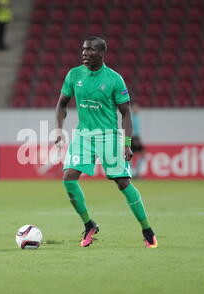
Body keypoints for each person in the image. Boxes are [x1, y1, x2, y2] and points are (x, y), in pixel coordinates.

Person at [54, 36, 157, 248]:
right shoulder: (74, 75)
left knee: (123, 183)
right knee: (68, 179)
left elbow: (126, 113)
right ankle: (89, 224)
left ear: (101, 54)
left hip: (109, 136)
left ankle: (147, 229)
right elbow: (61, 104)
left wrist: (126, 143)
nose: (84, 53)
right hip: (83, 135)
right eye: (83, 49)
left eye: (90, 50)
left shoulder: (114, 79)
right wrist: (59, 129)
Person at [131, 103, 147, 178]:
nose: (136, 110)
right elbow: (132, 129)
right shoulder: (132, 118)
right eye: (135, 108)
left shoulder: (136, 117)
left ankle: (136, 172)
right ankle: (134, 172)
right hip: (134, 138)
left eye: (137, 108)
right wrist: (134, 139)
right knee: (140, 154)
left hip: (136, 137)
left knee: (141, 155)